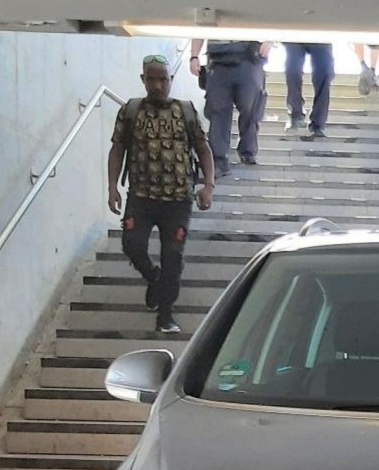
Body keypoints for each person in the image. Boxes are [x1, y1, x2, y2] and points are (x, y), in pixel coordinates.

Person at [107, 54, 215, 335]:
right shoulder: (130, 111)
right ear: (143, 80)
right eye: (152, 79)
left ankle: (166, 314)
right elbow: (117, 148)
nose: (157, 86)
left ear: (171, 80)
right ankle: (154, 279)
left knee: (173, 257)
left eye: (163, 80)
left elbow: (203, 148)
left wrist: (209, 185)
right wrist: (112, 187)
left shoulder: (186, 111)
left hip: (178, 200)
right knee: (132, 245)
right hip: (141, 197)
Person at [189, 39, 270, 178]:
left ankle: (248, 150)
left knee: (251, 108)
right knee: (218, 111)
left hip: (249, 57)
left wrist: (269, 40)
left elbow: (270, 20)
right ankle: (219, 160)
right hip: (218, 61)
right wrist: (194, 56)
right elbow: (201, 26)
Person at [284, 40, 334, 139]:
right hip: (296, 32)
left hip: (321, 35)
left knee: (324, 74)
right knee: (292, 69)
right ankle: (295, 114)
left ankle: (318, 124)